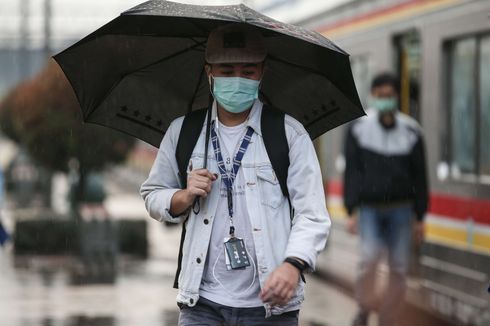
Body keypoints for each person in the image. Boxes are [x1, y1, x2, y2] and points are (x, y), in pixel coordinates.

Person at [141, 24, 330, 325]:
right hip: (201, 304)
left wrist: (293, 265)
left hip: (271, 309)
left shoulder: (288, 133)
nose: (237, 79)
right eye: (226, 70)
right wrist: (184, 195)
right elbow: (152, 195)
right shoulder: (184, 132)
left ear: (262, 72)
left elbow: (313, 213)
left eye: (248, 71)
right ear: (209, 72)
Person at [343, 73, 428, 326]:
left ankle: (388, 318)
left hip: (402, 210)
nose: (385, 101)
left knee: (399, 268)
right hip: (369, 209)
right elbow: (352, 173)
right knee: (368, 259)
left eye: (389, 96)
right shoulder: (358, 129)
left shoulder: (412, 131)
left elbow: (420, 176)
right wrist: (350, 210)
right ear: (373, 97)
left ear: (396, 97)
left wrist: (421, 216)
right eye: (380, 96)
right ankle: (365, 307)